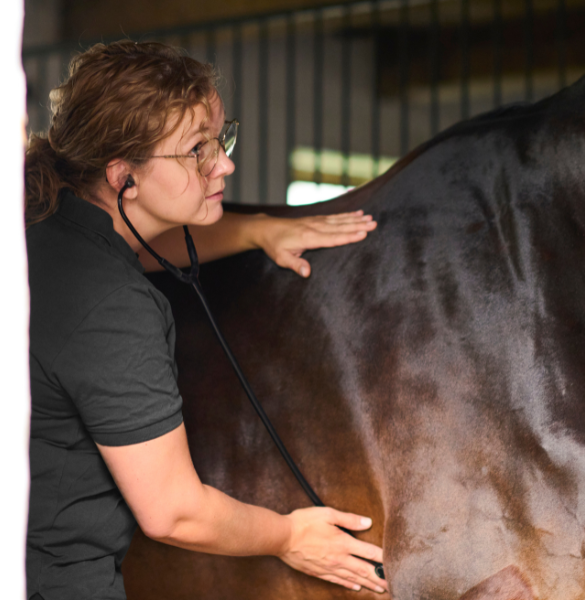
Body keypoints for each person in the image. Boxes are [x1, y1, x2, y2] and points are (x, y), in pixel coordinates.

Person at [25, 40, 387, 600]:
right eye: (197, 150)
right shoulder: (113, 308)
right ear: (123, 177)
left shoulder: (42, 227)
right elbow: (172, 511)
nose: (225, 163)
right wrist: (289, 536)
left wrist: (255, 229)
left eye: (221, 138)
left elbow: (138, 244)